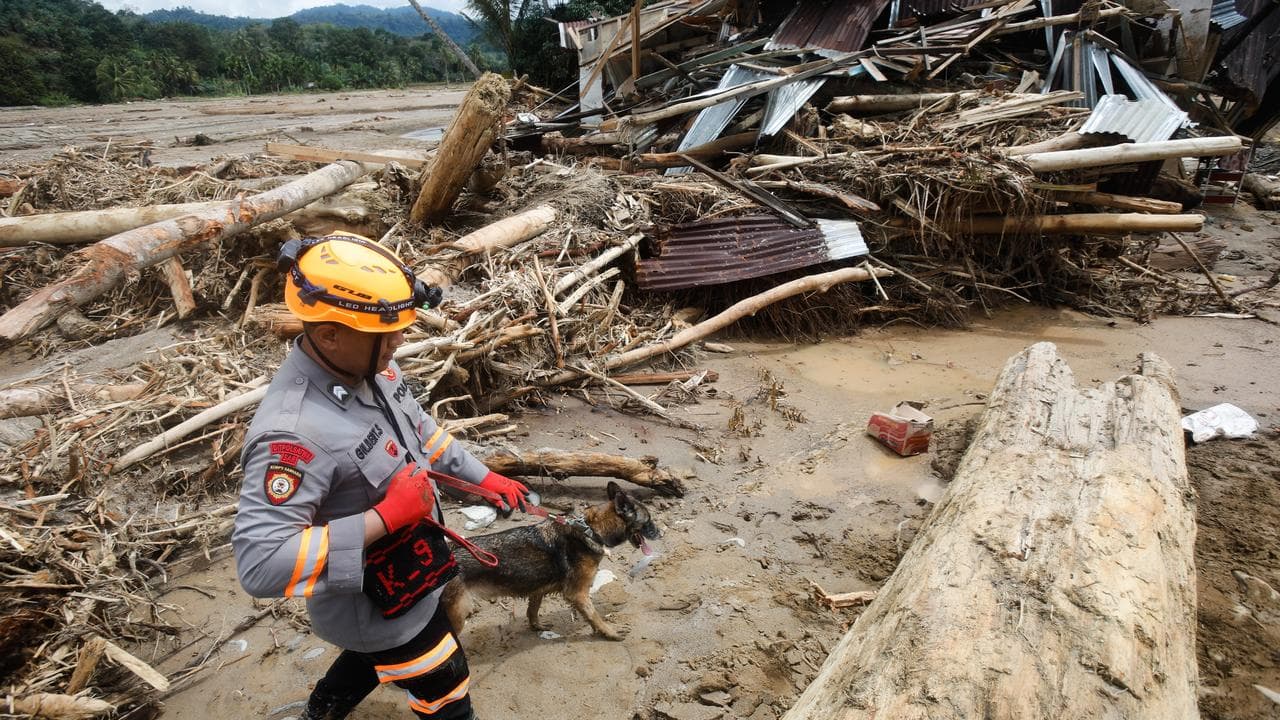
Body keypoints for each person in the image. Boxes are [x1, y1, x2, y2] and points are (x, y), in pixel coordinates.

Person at [232, 233, 531, 720]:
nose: (400, 341)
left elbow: (421, 434)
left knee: (373, 661)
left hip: (418, 569)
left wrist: (482, 478)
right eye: (386, 333)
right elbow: (260, 563)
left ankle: (321, 712)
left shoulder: (369, 366)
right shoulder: (295, 433)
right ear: (329, 333)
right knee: (447, 694)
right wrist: (386, 518)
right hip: (376, 603)